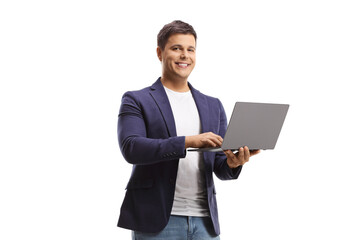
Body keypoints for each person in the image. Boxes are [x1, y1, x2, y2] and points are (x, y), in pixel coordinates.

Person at [117, 20, 260, 240]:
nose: (185, 55)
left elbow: (219, 165)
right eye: (176, 48)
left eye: (190, 49)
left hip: (205, 222)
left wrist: (233, 163)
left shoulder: (213, 105)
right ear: (159, 53)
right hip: (157, 222)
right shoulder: (137, 100)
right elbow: (132, 148)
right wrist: (188, 141)